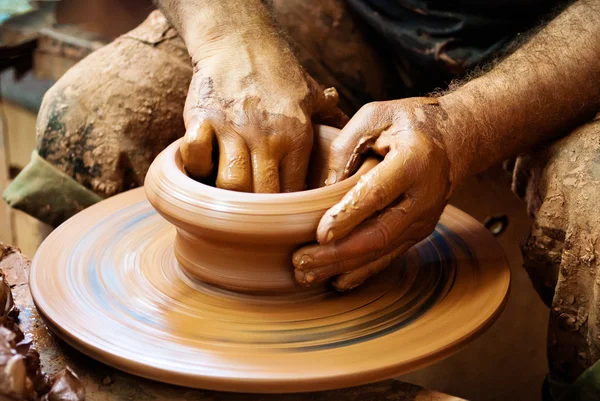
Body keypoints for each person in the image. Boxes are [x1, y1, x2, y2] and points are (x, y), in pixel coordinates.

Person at [4, 1, 599, 399]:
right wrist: (228, 34)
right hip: (357, 12)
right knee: (98, 111)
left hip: (567, 44)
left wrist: (468, 124)